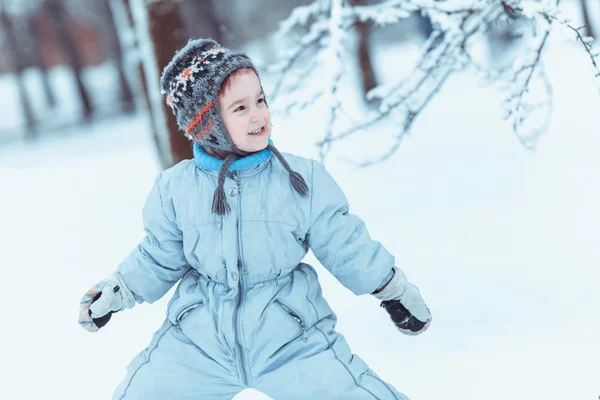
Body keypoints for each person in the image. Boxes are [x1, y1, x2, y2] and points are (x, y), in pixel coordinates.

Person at [78, 38, 432, 400]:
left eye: (260, 100)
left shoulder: (300, 180)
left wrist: (391, 289)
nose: (258, 115)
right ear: (208, 123)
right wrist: (119, 289)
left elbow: (345, 244)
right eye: (241, 108)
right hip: (199, 344)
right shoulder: (176, 189)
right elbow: (158, 256)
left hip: (291, 339)